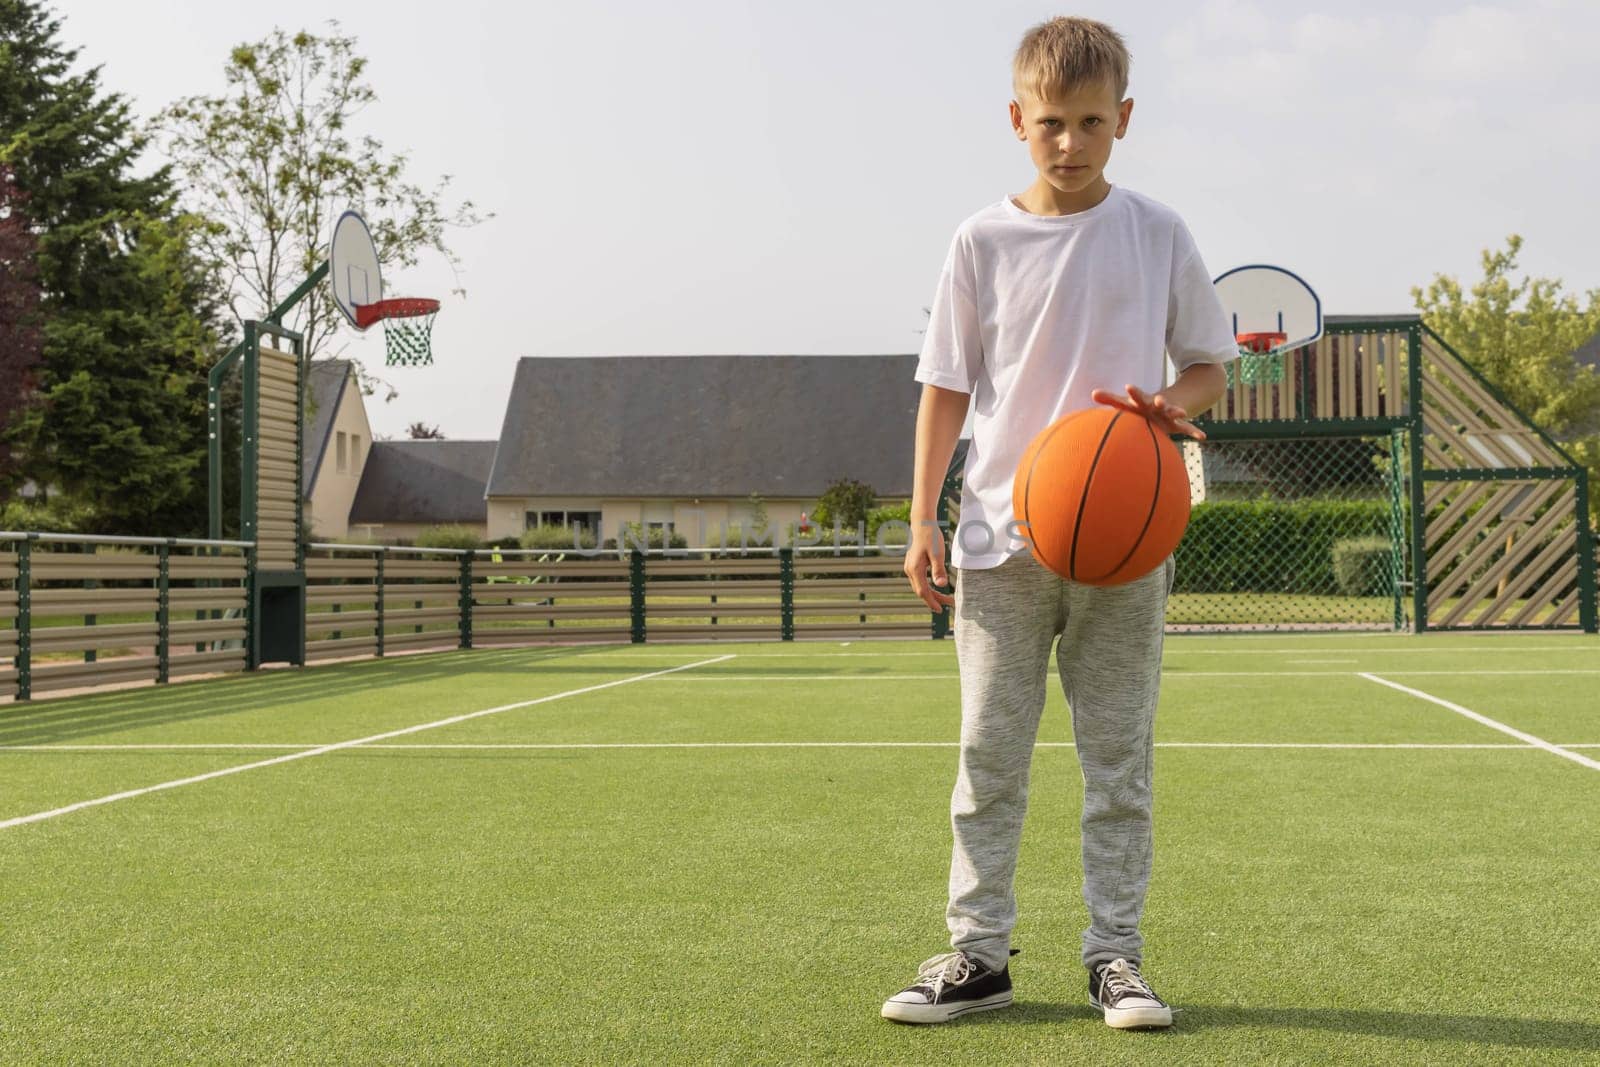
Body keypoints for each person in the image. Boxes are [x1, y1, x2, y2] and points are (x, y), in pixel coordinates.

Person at [882, 15, 1237, 1030]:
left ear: (1122, 119)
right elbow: (943, 388)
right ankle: (976, 954)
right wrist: (922, 517)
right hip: (1000, 540)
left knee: (1116, 758)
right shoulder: (980, 240)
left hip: (1123, 541)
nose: (1069, 143)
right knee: (987, 759)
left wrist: (1178, 405)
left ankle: (1114, 955)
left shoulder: (1157, 231)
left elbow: (1211, 361)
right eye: (1050, 123)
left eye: (1090, 122)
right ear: (1015, 120)